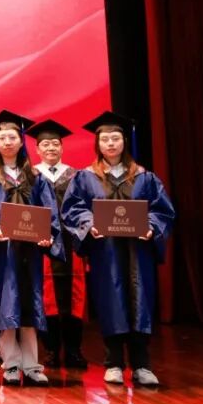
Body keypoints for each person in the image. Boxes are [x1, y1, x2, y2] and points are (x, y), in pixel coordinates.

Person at [61, 111, 176, 387]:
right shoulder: (86, 177)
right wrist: (89, 224)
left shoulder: (145, 177)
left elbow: (162, 210)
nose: (111, 143)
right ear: (97, 144)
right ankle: (113, 363)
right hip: (106, 251)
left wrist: (151, 227)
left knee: (140, 301)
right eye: (105, 139)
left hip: (138, 250)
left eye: (115, 138)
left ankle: (142, 364)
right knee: (110, 301)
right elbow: (73, 208)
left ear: (125, 141)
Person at [0, 110, 63, 386]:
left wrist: (47, 236)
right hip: (2, 253)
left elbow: (49, 213)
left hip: (30, 252)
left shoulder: (35, 177)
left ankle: (33, 365)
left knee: (29, 306)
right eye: (2, 137)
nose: (7, 142)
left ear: (21, 140)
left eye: (12, 137)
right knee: (6, 306)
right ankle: (11, 364)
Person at [26, 119, 87, 370]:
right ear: (37, 149)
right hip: (43, 245)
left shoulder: (77, 175)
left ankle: (73, 350)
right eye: (45, 144)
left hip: (72, 246)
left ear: (62, 147)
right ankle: (51, 350)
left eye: (55, 144)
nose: (50, 148)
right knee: (46, 297)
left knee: (75, 297)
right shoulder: (31, 175)